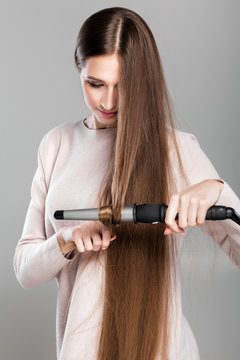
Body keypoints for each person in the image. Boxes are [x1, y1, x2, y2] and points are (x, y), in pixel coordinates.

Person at [13, 6, 240, 360]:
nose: (107, 102)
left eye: (123, 86)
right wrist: (67, 239)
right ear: (79, 69)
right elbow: (25, 270)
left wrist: (216, 191)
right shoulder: (56, 146)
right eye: (95, 83)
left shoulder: (176, 149)